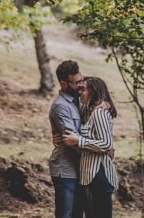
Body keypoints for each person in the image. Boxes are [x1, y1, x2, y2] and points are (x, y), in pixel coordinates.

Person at [62, 77, 119, 218]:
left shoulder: (99, 113)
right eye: (79, 89)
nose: (79, 92)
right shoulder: (90, 111)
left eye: (83, 89)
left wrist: (78, 141)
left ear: (94, 91)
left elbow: (106, 144)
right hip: (91, 175)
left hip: (99, 174)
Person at [49, 60, 86, 218]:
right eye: (76, 83)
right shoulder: (61, 106)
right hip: (66, 171)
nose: (81, 85)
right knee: (66, 215)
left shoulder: (81, 100)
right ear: (64, 84)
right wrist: (99, 149)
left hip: (81, 169)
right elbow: (72, 140)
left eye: (81, 80)